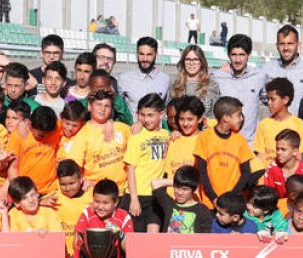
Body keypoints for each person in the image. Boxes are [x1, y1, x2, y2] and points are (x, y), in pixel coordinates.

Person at [73, 179, 134, 258]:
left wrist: (119, 233)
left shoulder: (124, 216)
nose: (100, 206)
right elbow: (76, 243)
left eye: (105, 203)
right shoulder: (87, 213)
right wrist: (79, 239)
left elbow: (130, 250)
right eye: (97, 201)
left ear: (116, 202)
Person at [64, 87, 130, 193]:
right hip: (97, 194)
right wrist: (82, 182)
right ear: (90, 106)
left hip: (123, 191)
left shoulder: (123, 128)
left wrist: (139, 124)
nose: (102, 109)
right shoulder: (81, 135)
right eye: (98, 105)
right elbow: (73, 168)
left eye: (107, 106)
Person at [194, 97, 255, 210]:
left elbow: (246, 172)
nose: (242, 119)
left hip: (233, 203)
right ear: (226, 118)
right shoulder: (204, 138)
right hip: (210, 203)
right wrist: (214, 198)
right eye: (239, 115)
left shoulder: (240, 140)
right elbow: (202, 172)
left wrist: (232, 197)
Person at [125, 93, 171, 233]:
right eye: (142, 115)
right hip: (137, 194)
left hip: (156, 195)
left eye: (150, 115)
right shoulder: (136, 136)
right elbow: (130, 168)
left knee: (153, 235)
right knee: (136, 239)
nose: (146, 119)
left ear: (161, 114)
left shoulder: (166, 135)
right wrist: (134, 199)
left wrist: (176, 134)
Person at [212, 34, 264, 144]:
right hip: (224, 144)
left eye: (242, 55)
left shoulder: (259, 77)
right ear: (228, 55)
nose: (237, 59)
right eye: (234, 55)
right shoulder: (217, 77)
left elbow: (270, 101)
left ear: (248, 55)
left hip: (250, 145)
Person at [262, 25, 303, 118]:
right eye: (282, 44)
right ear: (277, 46)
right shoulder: (266, 69)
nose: (286, 48)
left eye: (290, 44)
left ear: (299, 45)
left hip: (301, 128)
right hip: (276, 128)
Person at [253, 78, 303, 172]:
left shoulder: (298, 124)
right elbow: (260, 155)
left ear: (285, 100)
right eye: (268, 99)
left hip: (288, 179)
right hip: (267, 178)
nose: (269, 103)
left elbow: (299, 156)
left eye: (273, 99)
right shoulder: (264, 124)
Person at [7, 105, 62, 196]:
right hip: (28, 193)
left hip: (53, 190)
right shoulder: (18, 136)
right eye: (41, 135)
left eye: (49, 134)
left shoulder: (55, 128)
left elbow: (72, 121)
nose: (46, 137)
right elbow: (13, 168)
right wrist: (20, 193)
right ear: (29, 124)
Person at [117, 36, 170, 117]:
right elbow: (119, 108)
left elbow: (166, 108)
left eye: (149, 55)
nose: (145, 59)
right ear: (137, 53)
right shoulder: (124, 79)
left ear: (156, 54)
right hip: (132, 129)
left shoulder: (165, 80)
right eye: (141, 54)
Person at [150, 166, 213, 234]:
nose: (179, 193)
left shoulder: (202, 210)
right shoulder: (169, 204)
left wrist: (187, 183)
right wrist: (179, 181)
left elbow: (206, 238)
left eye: (185, 189)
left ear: (194, 189)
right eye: (177, 187)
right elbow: (155, 183)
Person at [169, 45, 220, 116]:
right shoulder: (175, 85)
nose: (191, 63)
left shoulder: (212, 85)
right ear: (183, 62)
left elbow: (215, 114)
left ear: (201, 62)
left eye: (195, 59)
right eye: (188, 59)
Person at [263, 130, 303, 198]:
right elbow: (268, 195)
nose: (279, 152)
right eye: (277, 149)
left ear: (295, 151)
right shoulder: (272, 168)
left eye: (283, 149)